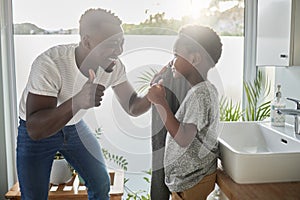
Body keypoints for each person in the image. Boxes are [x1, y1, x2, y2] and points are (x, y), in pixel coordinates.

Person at [17, 8, 151, 200]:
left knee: (101, 183)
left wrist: (153, 94)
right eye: (112, 44)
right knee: (33, 196)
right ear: (86, 41)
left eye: (122, 43)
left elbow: (133, 106)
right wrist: (78, 101)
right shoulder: (50, 63)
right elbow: (35, 129)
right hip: (37, 132)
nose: (119, 51)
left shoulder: (113, 66)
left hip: (73, 127)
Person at [147, 25, 222, 200]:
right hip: (188, 181)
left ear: (195, 58)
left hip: (194, 183)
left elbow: (183, 138)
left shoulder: (201, 94)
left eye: (176, 56)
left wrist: (160, 102)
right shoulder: (198, 91)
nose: (171, 62)